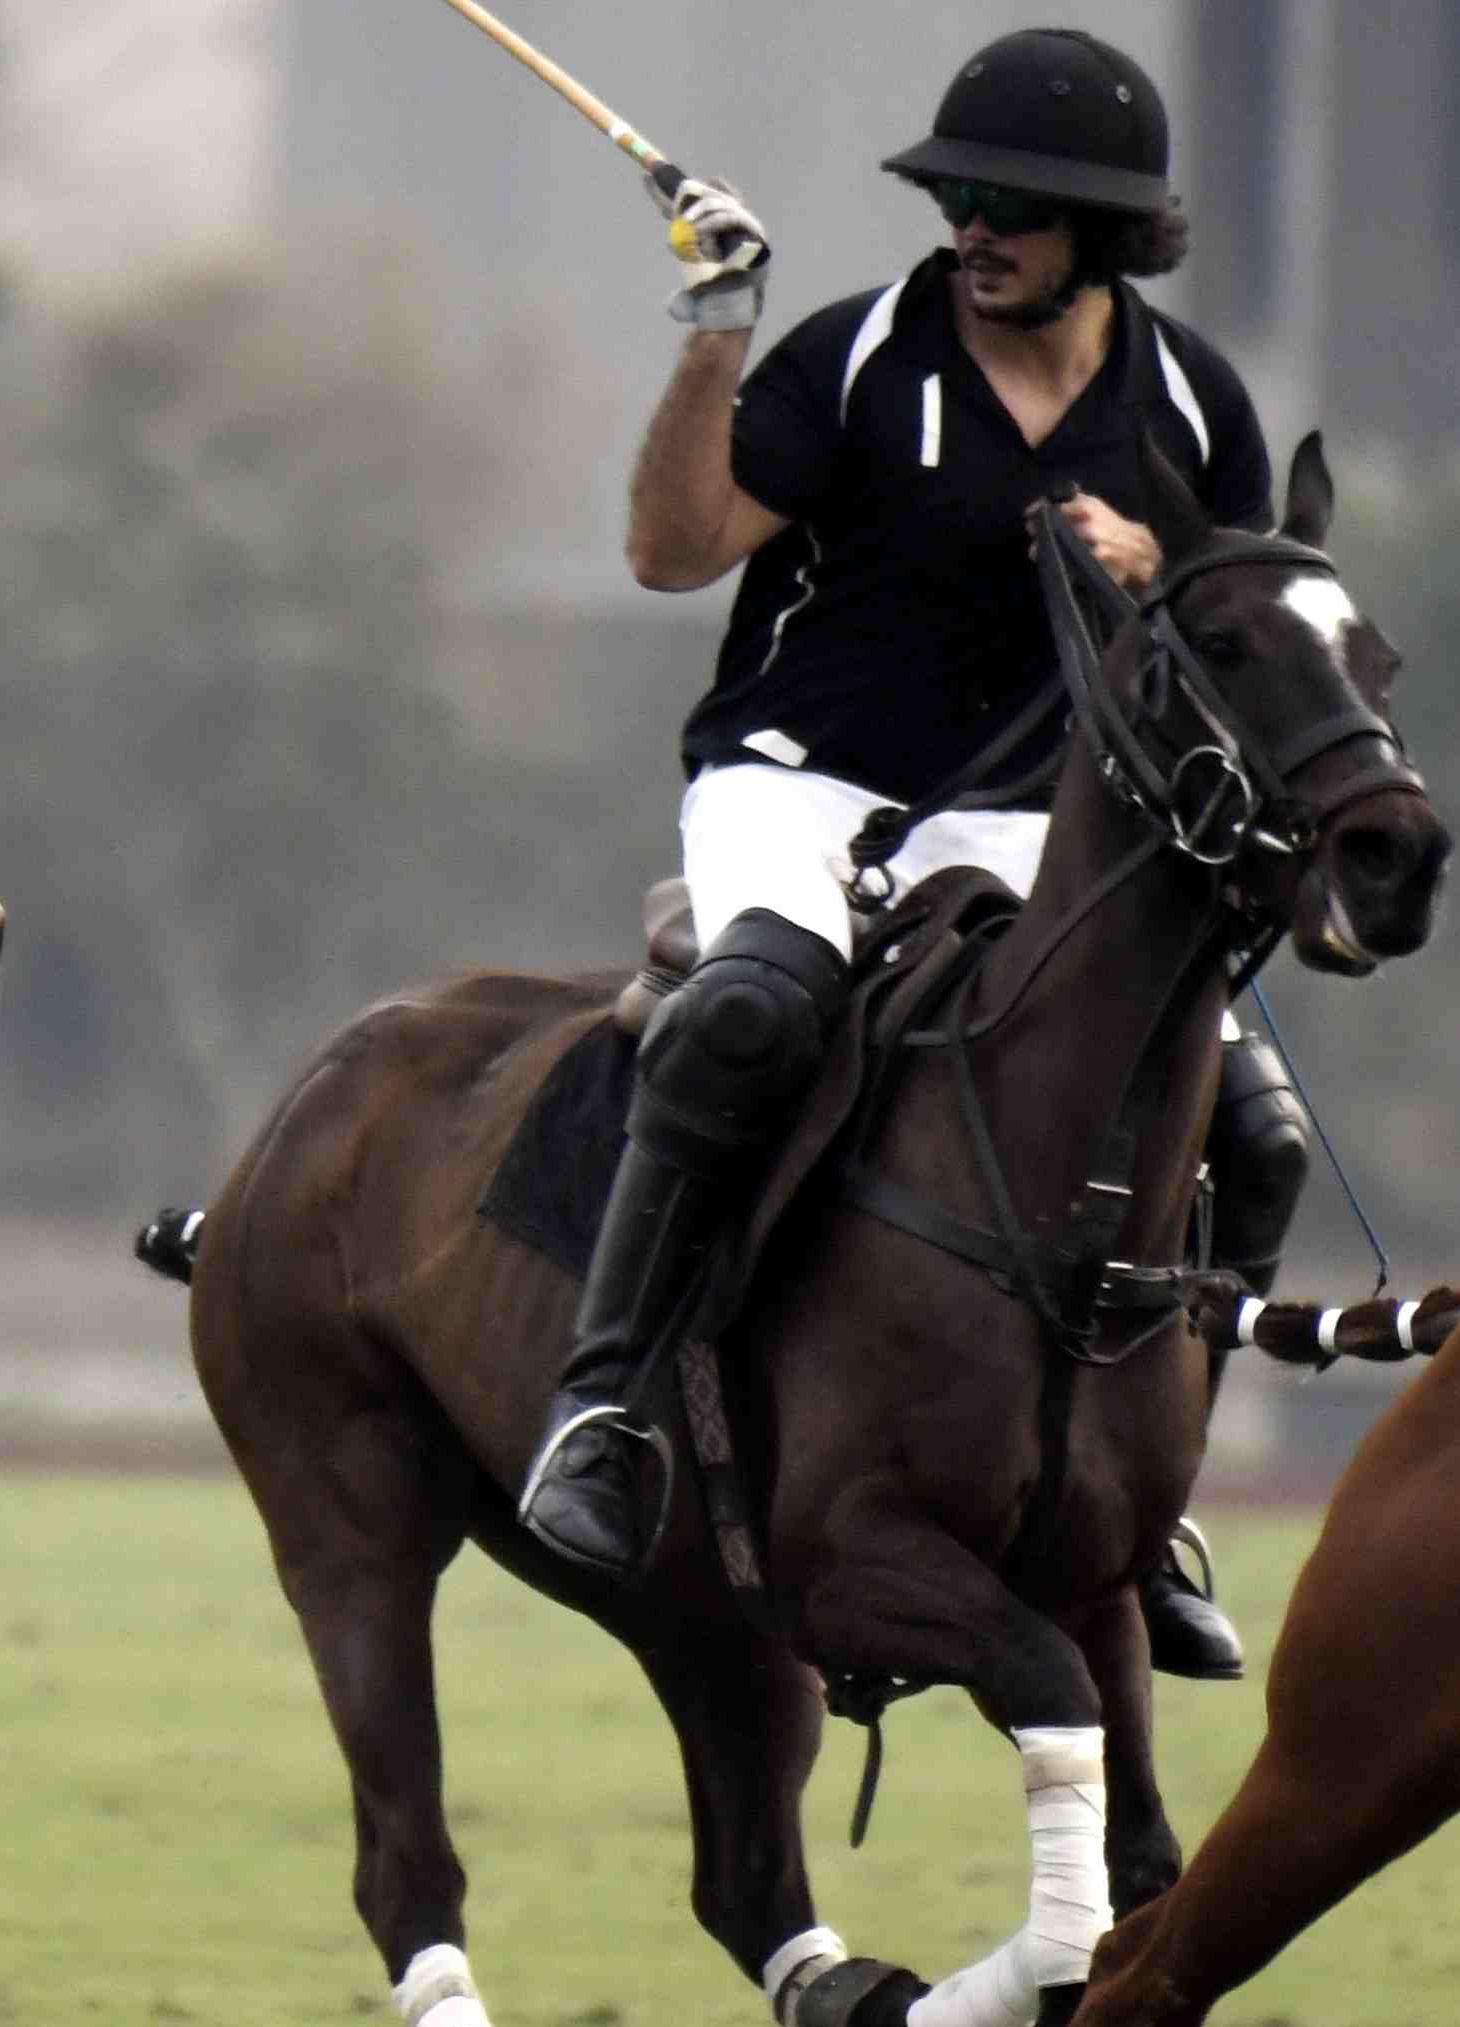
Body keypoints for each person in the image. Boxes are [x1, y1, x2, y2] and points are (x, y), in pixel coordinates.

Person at [515, 27, 1299, 1681]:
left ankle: (1147, 1500)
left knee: (1258, 1124)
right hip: (804, 781)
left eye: (1012, 203)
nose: (974, 227)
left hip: (1036, 820)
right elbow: (669, 555)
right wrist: (715, 336)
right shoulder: (858, 356)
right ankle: (604, 1411)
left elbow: (1249, 625)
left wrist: (1160, 562)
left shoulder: (1186, 402)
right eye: (958, 196)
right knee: (749, 1016)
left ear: (1108, 232)